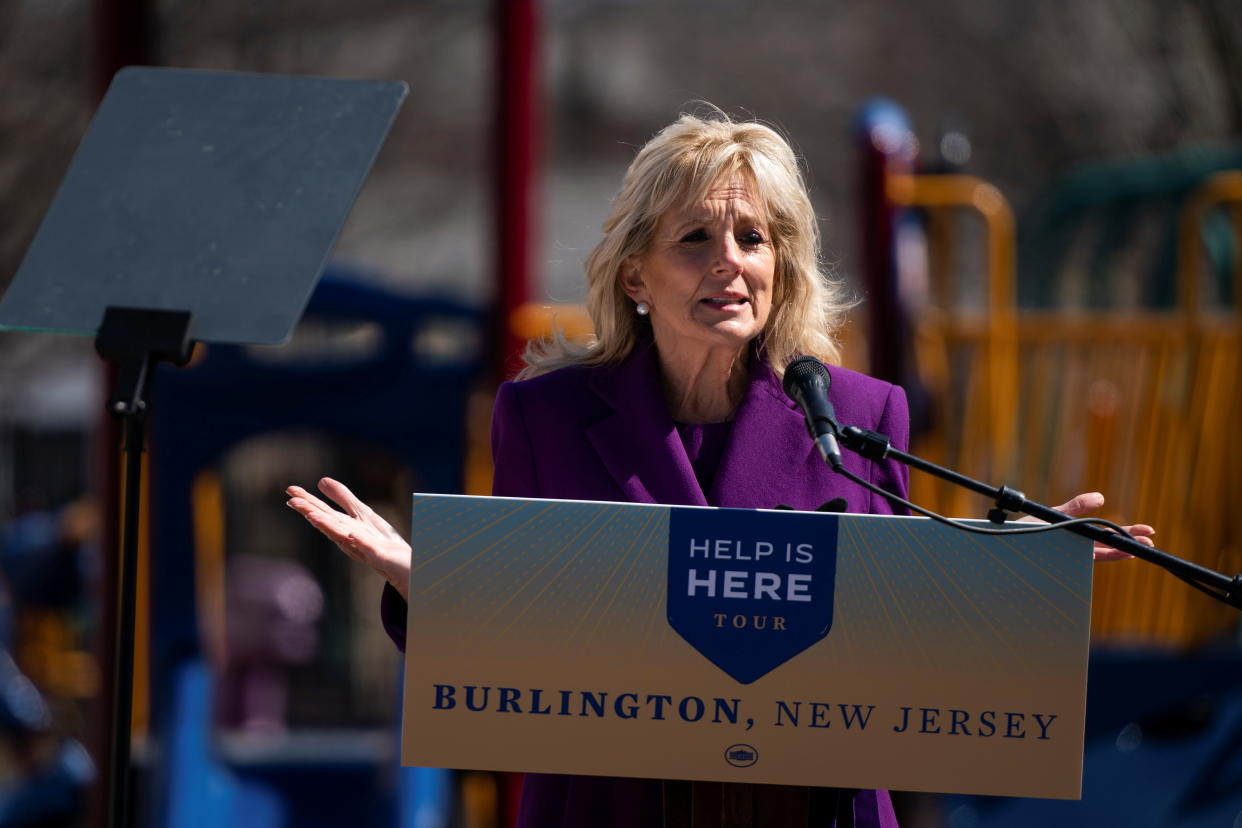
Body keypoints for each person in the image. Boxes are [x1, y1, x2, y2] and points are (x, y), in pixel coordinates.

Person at [286, 112, 1154, 827]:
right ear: (636, 275)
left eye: (753, 238)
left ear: (783, 266)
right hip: (613, 806)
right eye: (694, 239)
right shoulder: (544, 416)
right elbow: (516, 647)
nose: (729, 261)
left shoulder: (859, 416)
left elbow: (896, 633)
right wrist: (427, 582)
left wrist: (1009, 573)